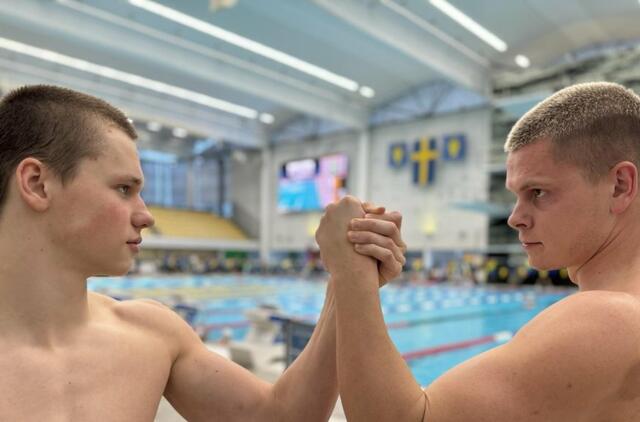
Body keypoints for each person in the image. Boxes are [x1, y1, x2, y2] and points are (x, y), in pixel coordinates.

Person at [0, 84, 407, 421]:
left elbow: (280, 418)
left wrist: (347, 281)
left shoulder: (151, 334)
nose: (145, 216)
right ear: (37, 184)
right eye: (124, 189)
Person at [315, 81, 640, 421]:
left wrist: (351, 271)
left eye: (538, 192)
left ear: (619, 186)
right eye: (516, 195)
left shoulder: (608, 318)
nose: (515, 218)